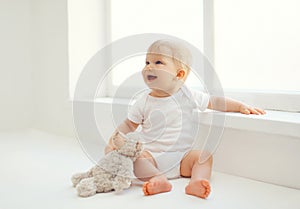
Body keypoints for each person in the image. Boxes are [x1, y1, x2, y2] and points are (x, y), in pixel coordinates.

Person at [104, 39, 266, 198]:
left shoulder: (188, 95)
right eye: (146, 62)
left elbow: (214, 101)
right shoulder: (144, 101)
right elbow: (128, 125)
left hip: (182, 159)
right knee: (136, 159)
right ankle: (157, 178)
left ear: (179, 74)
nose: (149, 67)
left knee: (204, 156)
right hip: (151, 157)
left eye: (158, 62)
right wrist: (114, 140)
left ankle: (197, 181)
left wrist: (239, 106)